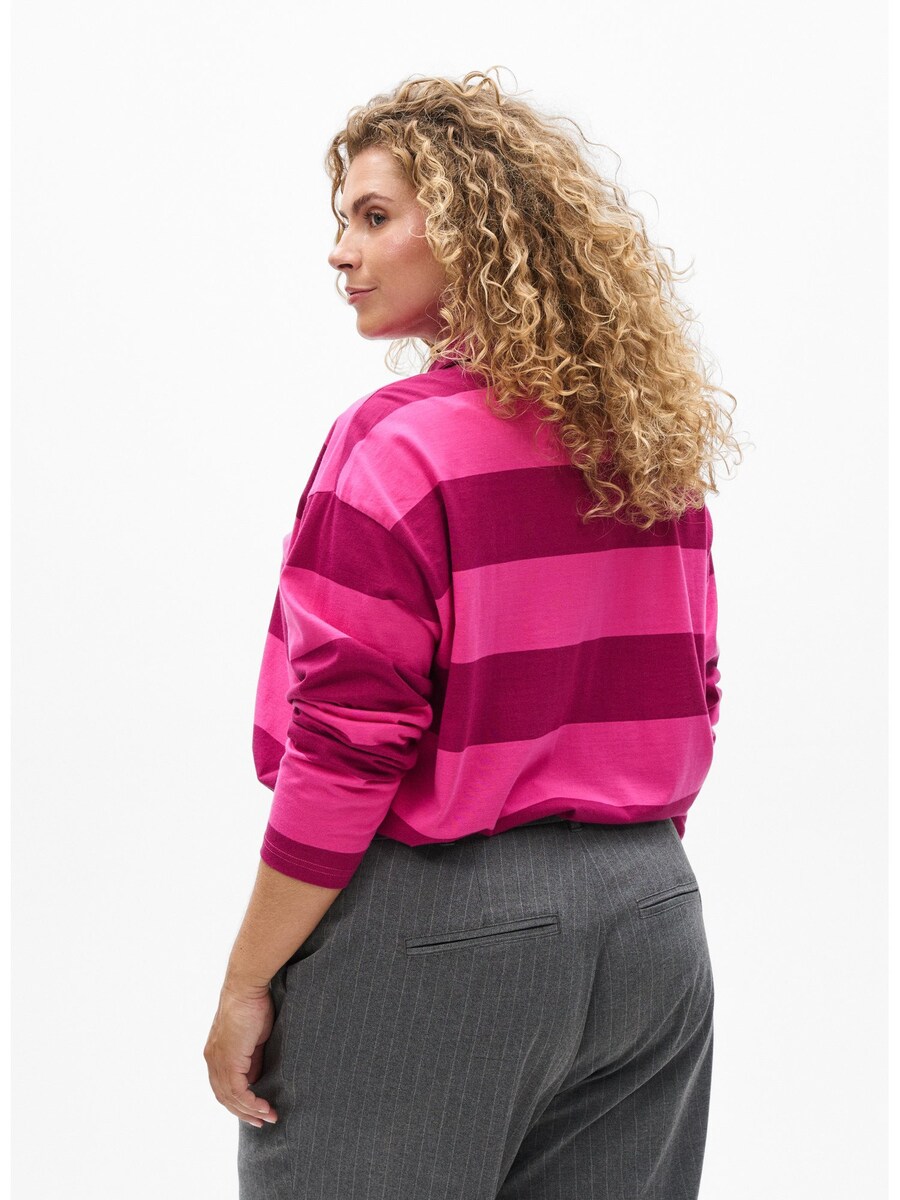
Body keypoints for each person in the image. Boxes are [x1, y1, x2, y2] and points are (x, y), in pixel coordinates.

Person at [204, 66, 743, 1199]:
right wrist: (611, 877)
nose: (341, 252)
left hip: (444, 918)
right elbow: (693, 687)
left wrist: (249, 976)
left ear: (468, 227)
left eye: (374, 216)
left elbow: (350, 741)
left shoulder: (397, 445)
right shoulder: (643, 440)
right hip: (653, 912)